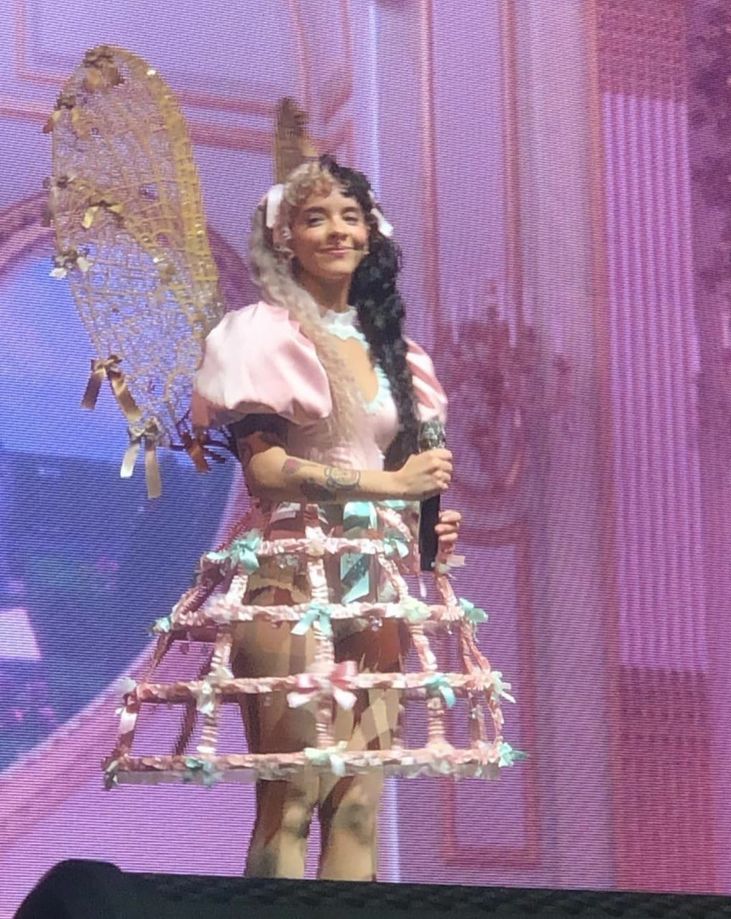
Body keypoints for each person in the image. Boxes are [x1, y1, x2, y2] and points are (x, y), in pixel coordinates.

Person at [191, 155, 462, 880]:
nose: (337, 229)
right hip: (287, 577)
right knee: (291, 796)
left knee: (357, 804)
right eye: (316, 217)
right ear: (287, 240)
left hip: (374, 576)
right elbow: (268, 472)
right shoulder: (264, 333)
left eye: (349, 215)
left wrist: (428, 524)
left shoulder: (400, 356)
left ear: (372, 231)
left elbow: (414, 478)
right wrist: (389, 482)